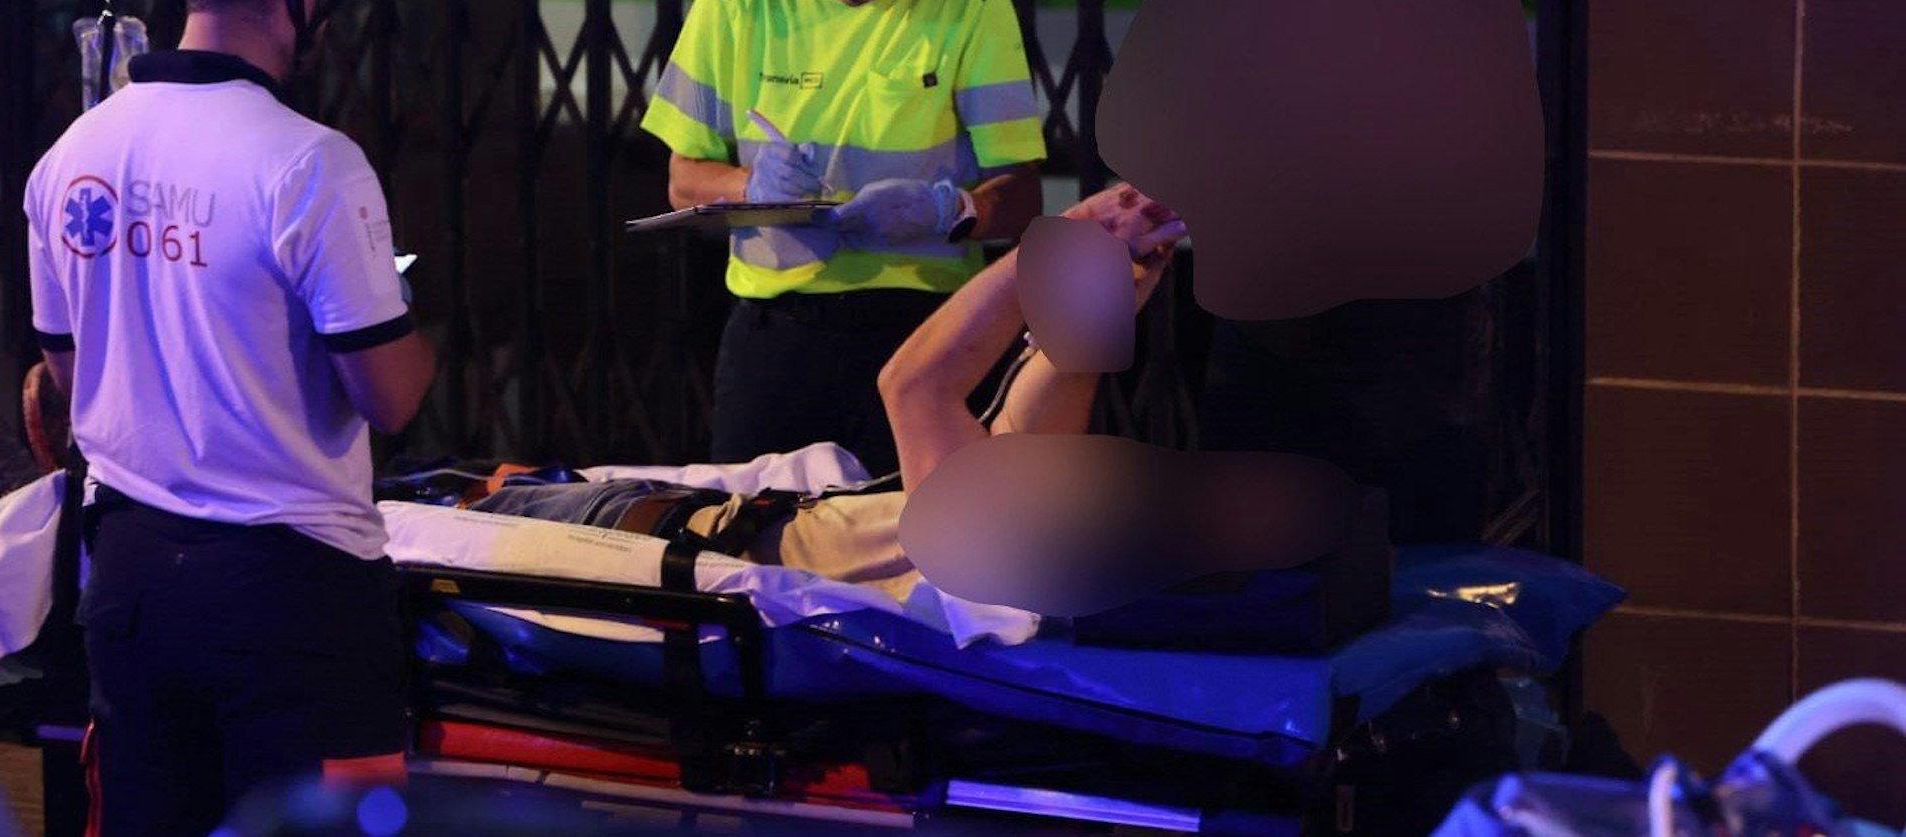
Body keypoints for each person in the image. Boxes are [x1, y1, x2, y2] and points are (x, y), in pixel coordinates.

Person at [23, 0, 435, 835]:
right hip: (291, 601)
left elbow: (69, 374)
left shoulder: (73, 154)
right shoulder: (310, 166)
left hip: (124, 584)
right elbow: (389, 395)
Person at [471, 184, 1358, 617]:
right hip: (724, 512)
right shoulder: (1051, 526)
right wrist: (1112, 271)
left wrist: (1054, 246)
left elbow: (912, 383)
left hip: (665, 531)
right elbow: (1065, 370)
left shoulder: (1007, 546)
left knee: (458, 504)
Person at [641, 0, 1047, 476]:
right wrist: (749, 185)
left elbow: (1023, 193)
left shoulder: (969, 2)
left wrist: (950, 211)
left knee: (924, 550)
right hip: (778, 332)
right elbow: (681, 179)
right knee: (751, 554)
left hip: (927, 331)